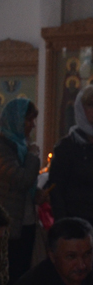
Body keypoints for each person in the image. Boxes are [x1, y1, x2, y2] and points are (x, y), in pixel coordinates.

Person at [0, 98, 40, 283]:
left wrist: (38, 194)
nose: (32, 125)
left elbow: (22, 187)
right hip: (5, 226)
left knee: (23, 277)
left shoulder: (19, 147)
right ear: (16, 119)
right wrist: (32, 155)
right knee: (6, 279)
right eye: (28, 120)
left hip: (24, 223)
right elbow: (22, 179)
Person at [49, 85, 93, 226]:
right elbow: (57, 189)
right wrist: (64, 224)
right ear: (80, 109)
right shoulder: (67, 146)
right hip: (76, 221)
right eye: (90, 105)